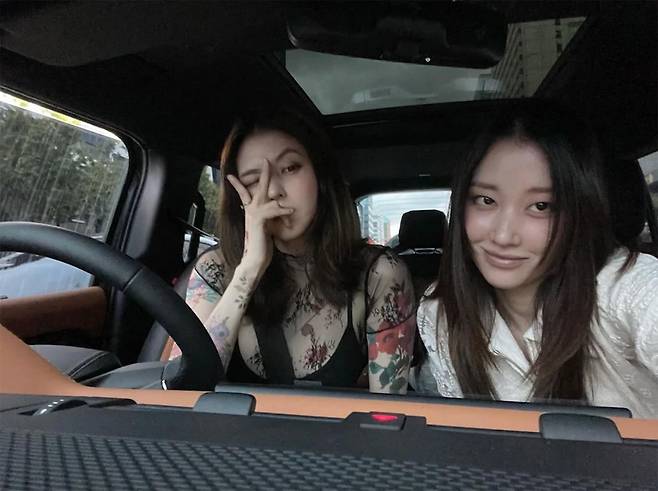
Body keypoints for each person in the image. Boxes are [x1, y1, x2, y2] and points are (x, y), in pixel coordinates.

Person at [414, 102, 658, 417]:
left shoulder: (624, 288)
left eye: (541, 206)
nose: (503, 236)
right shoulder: (441, 312)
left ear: (580, 212)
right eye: (486, 200)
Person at [169, 107, 415, 393]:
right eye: (253, 181)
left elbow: (389, 407)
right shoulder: (215, 270)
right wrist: (248, 271)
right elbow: (182, 393)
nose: (273, 190)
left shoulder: (379, 276)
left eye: (290, 168)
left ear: (320, 177)